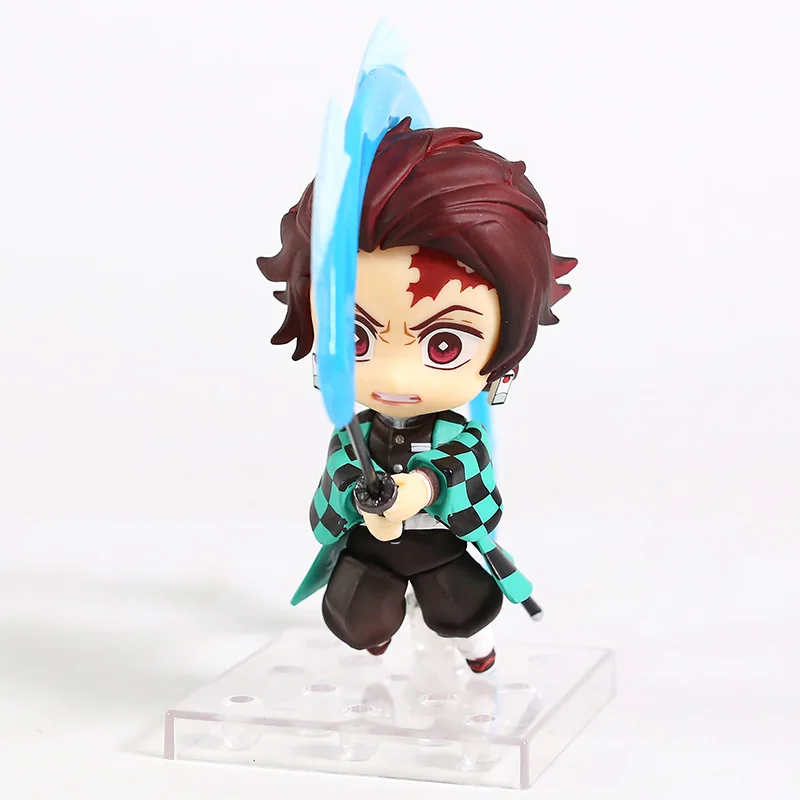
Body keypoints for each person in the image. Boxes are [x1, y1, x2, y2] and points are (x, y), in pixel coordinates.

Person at [258, 119, 576, 672]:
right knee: (359, 612)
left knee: (462, 610)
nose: (397, 376)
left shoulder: (457, 434)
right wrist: (361, 500)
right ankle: (378, 634)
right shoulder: (356, 433)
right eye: (357, 338)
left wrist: (423, 487)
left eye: (444, 344)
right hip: (372, 551)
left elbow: (469, 470)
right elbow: (334, 484)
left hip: (440, 547)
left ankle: (475, 651)